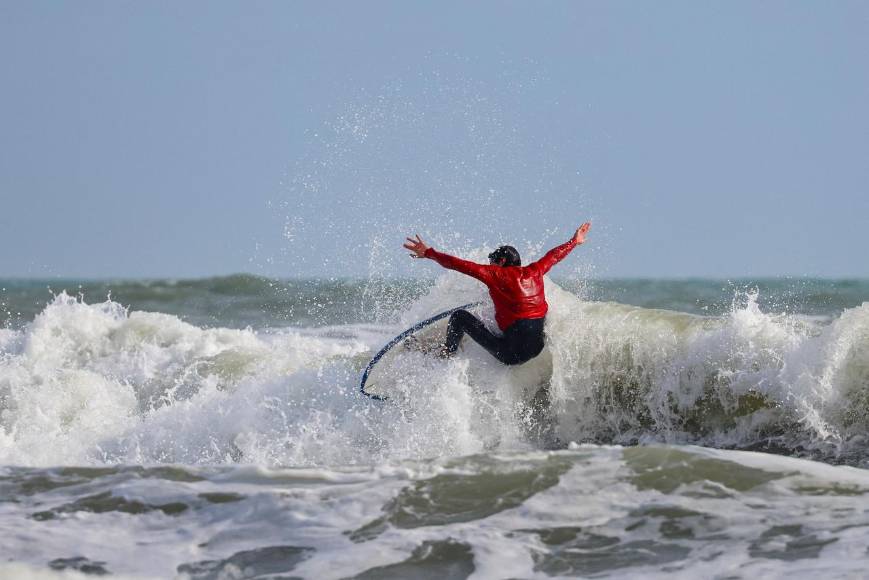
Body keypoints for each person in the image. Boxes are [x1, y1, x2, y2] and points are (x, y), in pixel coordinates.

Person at [403, 222, 591, 365]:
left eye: (492, 260)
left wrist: (429, 252)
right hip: (537, 349)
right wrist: (574, 241)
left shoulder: (495, 274)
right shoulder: (536, 271)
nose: (490, 264)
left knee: (459, 317)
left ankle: (448, 352)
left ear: (501, 261)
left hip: (511, 354)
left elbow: (457, 264)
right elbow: (554, 255)